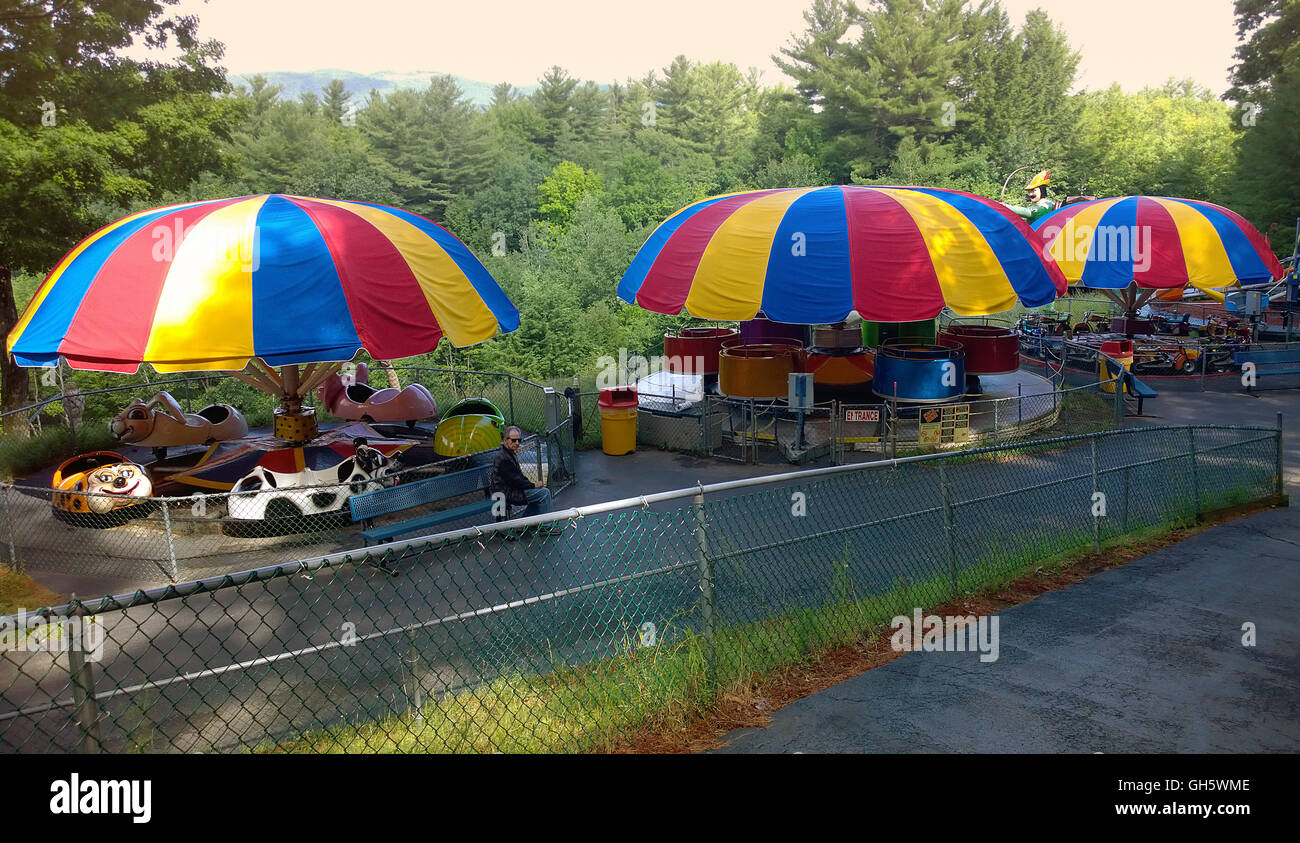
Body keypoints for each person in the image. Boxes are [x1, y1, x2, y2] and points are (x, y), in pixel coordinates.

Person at [489, 425, 563, 536]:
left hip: (510, 489)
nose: (517, 443)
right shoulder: (504, 458)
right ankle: (546, 527)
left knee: (539, 495)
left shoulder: (506, 453)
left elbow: (516, 478)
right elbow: (516, 480)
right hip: (506, 492)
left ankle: (523, 524)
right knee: (544, 493)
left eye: (519, 440)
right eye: (514, 440)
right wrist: (533, 485)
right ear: (505, 440)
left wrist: (532, 485)